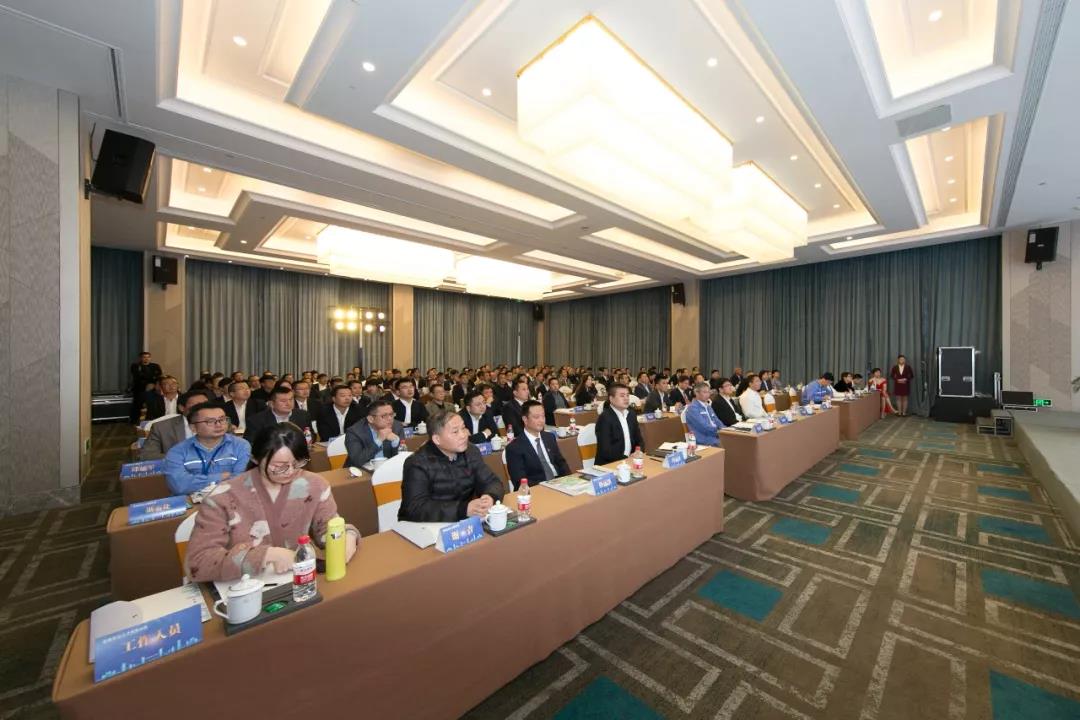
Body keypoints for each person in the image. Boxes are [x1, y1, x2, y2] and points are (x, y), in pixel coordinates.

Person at [185, 423, 360, 583]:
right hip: (242, 585)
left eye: (297, 463)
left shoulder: (314, 485)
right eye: (279, 466)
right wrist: (267, 555)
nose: (290, 471)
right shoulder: (223, 497)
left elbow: (327, 529)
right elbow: (198, 563)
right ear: (255, 459)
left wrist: (347, 536)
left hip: (299, 580)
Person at [398, 410, 505, 522]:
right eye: (455, 432)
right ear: (437, 439)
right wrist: (463, 509)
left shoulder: (471, 451)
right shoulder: (417, 463)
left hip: (462, 521)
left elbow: (492, 481)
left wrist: (490, 497)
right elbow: (415, 508)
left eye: (463, 428)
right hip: (424, 526)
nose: (464, 435)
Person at [163, 402, 251, 495]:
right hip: (190, 502)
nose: (218, 424)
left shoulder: (241, 445)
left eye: (222, 419)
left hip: (230, 499)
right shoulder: (177, 451)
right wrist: (221, 476)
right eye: (210, 421)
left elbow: (240, 481)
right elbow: (179, 486)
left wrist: (195, 481)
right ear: (193, 427)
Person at [505, 400, 571, 490]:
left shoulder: (549, 437)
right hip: (537, 488)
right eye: (536, 417)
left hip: (560, 484)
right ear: (525, 419)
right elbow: (519, 481)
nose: (541, 420)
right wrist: (548, 486)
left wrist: (569, 480)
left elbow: (561, 463)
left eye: (543, 416)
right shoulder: (514, 447)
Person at [141, 390, 209, 460]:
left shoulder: (215, 424)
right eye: (197, 405)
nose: (204, 409)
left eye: (206, 405)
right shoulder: (161, 428)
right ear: (181, 408)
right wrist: (183, 458)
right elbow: (147, 455)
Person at [344, 400, 404, 467]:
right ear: (371, 419)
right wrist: (378, 441)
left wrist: (395, 443)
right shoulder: (354, 432)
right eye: (384, 416)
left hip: (387, 469)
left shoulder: (397, 426)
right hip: (360, 470)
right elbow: (358, 461)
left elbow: (401, 459)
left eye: (391, 414)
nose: (390, 419)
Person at [594, 384, 643, 466]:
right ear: (611, 399)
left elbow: (639, 440)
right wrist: (627, 458)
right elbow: (606, 451)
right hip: (610, 464)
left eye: (627, 395)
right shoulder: (605, 418)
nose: (626, 398)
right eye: (622, 396)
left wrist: (638, 451)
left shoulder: (631, 414)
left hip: (630, 461)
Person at [245, 386, 313, 439]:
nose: (288, 404)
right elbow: (251, 443)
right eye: (283, 401)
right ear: (272, 404)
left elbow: (311, 435)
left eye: (291, 399)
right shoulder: (256, 420)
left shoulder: (303, 415)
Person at [684, 382, 724, 446]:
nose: (707, 394)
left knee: (735, 439)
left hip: (715, 435)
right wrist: (720, 433)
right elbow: (704, 427)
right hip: (704, 439)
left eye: (708, 392)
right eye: (705, 392)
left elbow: (717, 421)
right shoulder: (692, 408)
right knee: (731, 443)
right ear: (696, 393)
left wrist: (725, 430)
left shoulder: (708, 406)